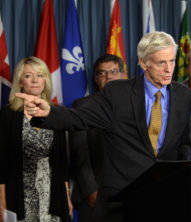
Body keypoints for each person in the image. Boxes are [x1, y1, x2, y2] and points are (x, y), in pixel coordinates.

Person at [17, 31, 191, 222]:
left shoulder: (184, 95)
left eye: (172, 61)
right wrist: (48, 113)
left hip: (164, 199)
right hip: (121, 200)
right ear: (144, 63)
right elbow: (80, 117)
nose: (169, 69)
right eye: (161, 63)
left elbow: (183, 143)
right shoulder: (118, 92)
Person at [0, 56, 72, 222]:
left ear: (45, 81)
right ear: (20, 82)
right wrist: (1, 196)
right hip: (18, 192)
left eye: (40, 75)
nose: (34, 80)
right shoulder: (8, 115)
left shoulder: (56, 113)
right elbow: (1, 158)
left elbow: (61, 159)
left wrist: (66, 194)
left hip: (51, 192)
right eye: (28, 76)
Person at [70, 54, 124, 222]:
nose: (108, 77)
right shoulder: (82, 107)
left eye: (113, 71)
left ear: (123, 74)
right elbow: (79, 153)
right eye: (102, 73)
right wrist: (91, 190)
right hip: (93, 195)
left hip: (127, 192)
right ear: (95, 78)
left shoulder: (136, 105)